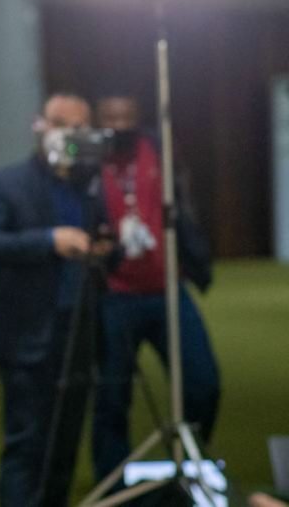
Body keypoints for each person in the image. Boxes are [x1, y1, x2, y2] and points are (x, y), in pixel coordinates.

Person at [0, 93, 115, 507]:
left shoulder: (91, 185)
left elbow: (106, 240)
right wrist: (51, 240)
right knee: (27, 446)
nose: (68, 134)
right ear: (40, 126)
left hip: (79, 336)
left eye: (78, 126)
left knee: (65, 449)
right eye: (59, 123)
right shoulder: (5, 183)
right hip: (26, 339)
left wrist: (106, 248)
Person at [92, 94, 220, 484]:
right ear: (98, 120)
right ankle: (114, 482)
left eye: (126, 117)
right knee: (112, 396)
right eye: (110, 117)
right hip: (114, 295)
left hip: (168, 289)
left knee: (203, 383)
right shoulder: (89, 162)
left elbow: (184, 203)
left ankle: (188, 463)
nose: (119, 125)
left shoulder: (160, 148)